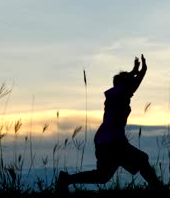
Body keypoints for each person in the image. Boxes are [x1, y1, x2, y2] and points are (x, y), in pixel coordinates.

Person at [56, 54, 162, 195]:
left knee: (103, 176)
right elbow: (131, 84)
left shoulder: (116, 93)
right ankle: (159, 189)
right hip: (112, 141)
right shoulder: (119, 94)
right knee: (142, 160)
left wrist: (135, 71)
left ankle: (66, 179)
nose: (133, 92)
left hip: (105, 141)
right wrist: (142, 71)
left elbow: (126, 82)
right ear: (125, 85)